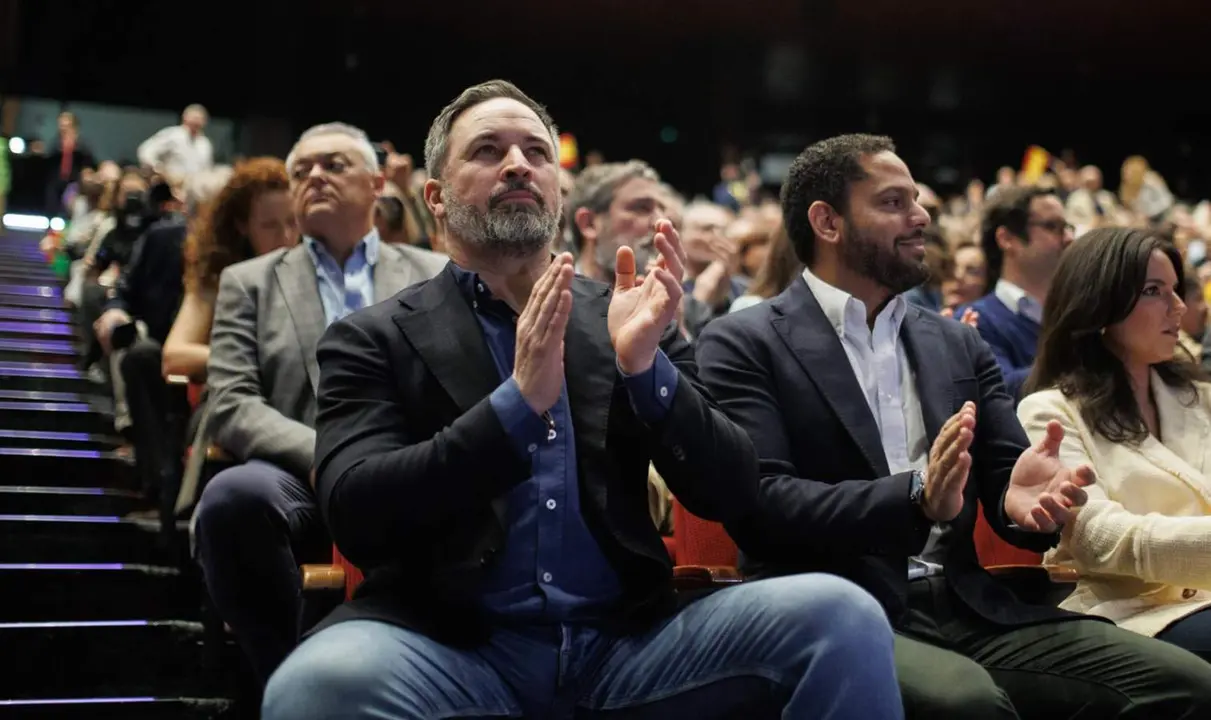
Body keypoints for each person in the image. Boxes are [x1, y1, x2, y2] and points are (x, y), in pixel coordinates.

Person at [262, 80, 903, 720]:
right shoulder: (371, 337)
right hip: (450, 645)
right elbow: (357, 512)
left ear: (559, 191)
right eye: (487, 150)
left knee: (840, 617)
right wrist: (515, 409)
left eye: (536, 153)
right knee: (313, 688)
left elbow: (733, 491)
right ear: (436, 197)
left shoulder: (628, 316)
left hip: (629, 642)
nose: (518, 164)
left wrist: (646, 371)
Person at [697, 133, 1211, 718]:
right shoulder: (744, 341)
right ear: (827, 222)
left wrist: (1025, 504)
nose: (921, 217)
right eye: (893, 203)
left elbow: (1010, 481)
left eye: (917, 200)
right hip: (832, 608)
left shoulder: (955, 342)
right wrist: (915, 495)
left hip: (969, 603)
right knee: (969, 704)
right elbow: (763, 502)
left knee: (1188, 686)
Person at [192, 122, 447, 687]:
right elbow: (230, 402)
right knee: (232, 497)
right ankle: (293, 684)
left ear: (377, 184)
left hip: (409, 470)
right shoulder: (250, 281)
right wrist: (327, 454)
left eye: (333, 165)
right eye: (301, 171)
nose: (314, 177)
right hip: (299, 474)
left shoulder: (433, 274)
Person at [1019, 228, 1211, 662]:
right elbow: (1098, 538)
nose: (1178, 306)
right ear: (1100, 305)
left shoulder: (1200, 397)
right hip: (1132, 616)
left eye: (1175, 289)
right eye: (1154, 291)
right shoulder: (1049, 412)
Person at [966, 186, 1074, 401]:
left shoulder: (1075, 310)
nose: (1069, 238)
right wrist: (1085, 359)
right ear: (1007, 239)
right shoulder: (977, 319)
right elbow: (999, 391)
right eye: (1053, 226)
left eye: (1068, 227)